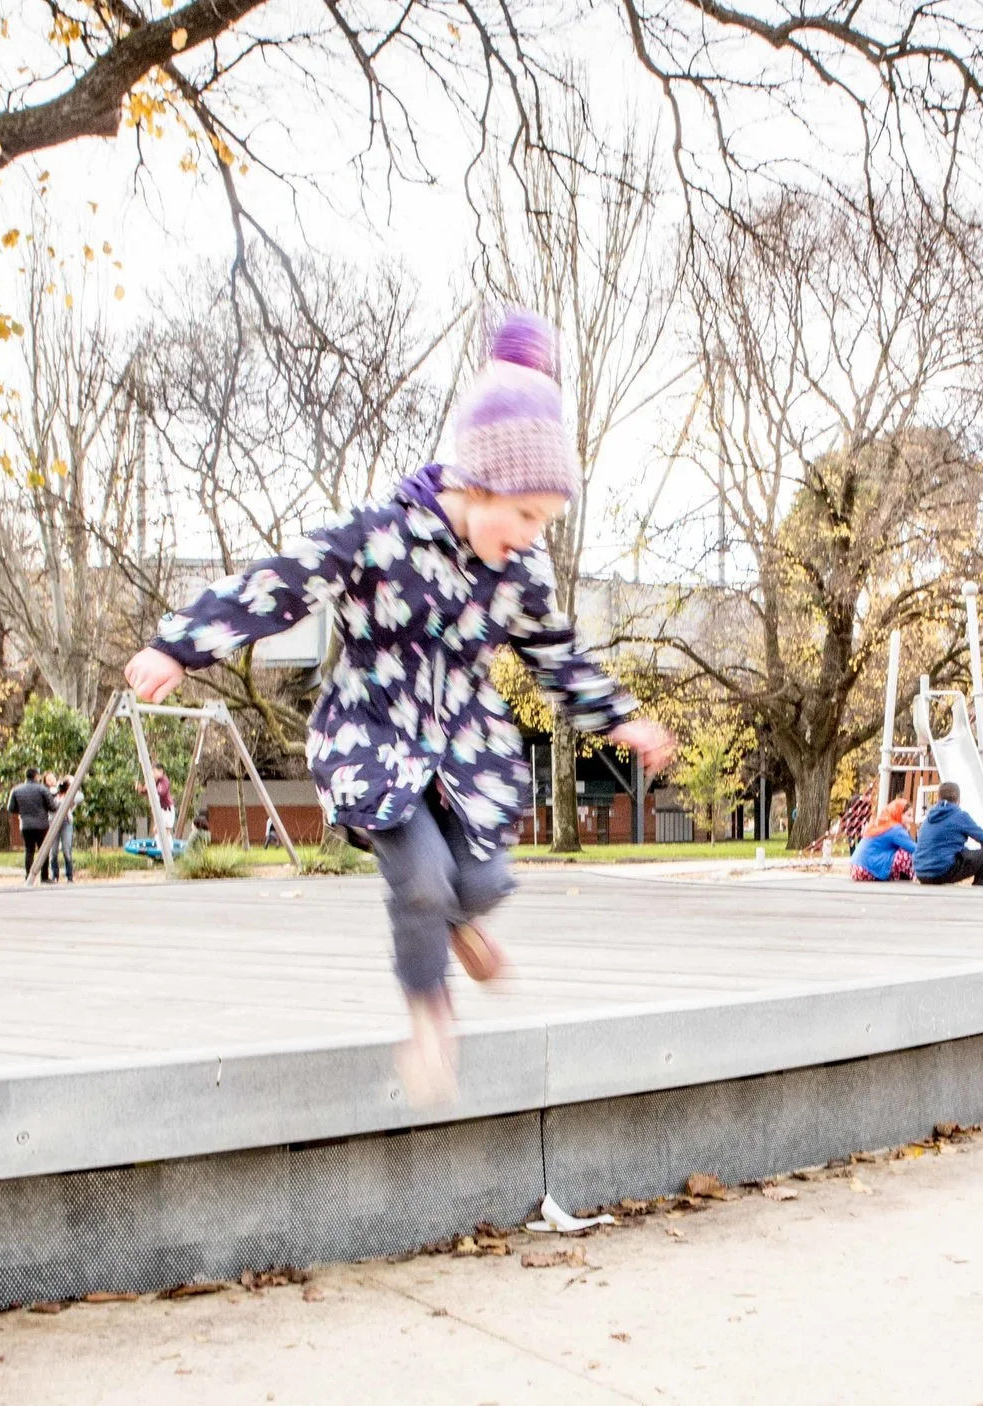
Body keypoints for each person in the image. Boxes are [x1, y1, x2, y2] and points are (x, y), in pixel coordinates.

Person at [123, 308, 675, 1105]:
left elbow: (557, 654)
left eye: (544, 525)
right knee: (420, 880)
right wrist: (179, 645)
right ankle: (430, 1019)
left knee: (481, 884)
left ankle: (460, 920)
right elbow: (282, 581)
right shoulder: (379, 537)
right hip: (376, 735)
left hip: (463, 747)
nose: (529, 538)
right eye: (523, 517)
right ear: (476, 482)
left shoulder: (518, 574)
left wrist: (620, 718)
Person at [914, 781, 983, 887]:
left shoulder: (928, 818)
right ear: (959, 800)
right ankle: (979, 889)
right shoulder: (959, 816)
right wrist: (980, 863)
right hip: (942, 871)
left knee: (961, 853)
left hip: (921, 873)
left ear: (938, 798)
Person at [851, 797, 917, 882]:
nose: (911, 820)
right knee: (905, 854)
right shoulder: (895, 829)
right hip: (866, 869)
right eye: (908, 815)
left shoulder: (882, 823)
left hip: (855, 868)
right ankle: (917, 876)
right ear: (899, 814)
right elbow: (915, 848)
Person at [8, 768, 55, 881]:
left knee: (29, 850)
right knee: (43, 850)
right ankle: (44, 877)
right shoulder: (42, 789)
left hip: (25, 824)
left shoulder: (16, 789)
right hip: (42, 824)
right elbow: (52, 806)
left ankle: (28, 876)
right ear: (36, 776)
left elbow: (10, 808)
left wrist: (22, 812)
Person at [49, 773, 80, 882]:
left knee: (67, 849)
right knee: (53, 851)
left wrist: (70, 788)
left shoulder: (72, 796)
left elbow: (80, 797)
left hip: (66, 822)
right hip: (53, 823)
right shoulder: (53, 793)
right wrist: (57, 789)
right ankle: (54, 875)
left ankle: (69, 875)